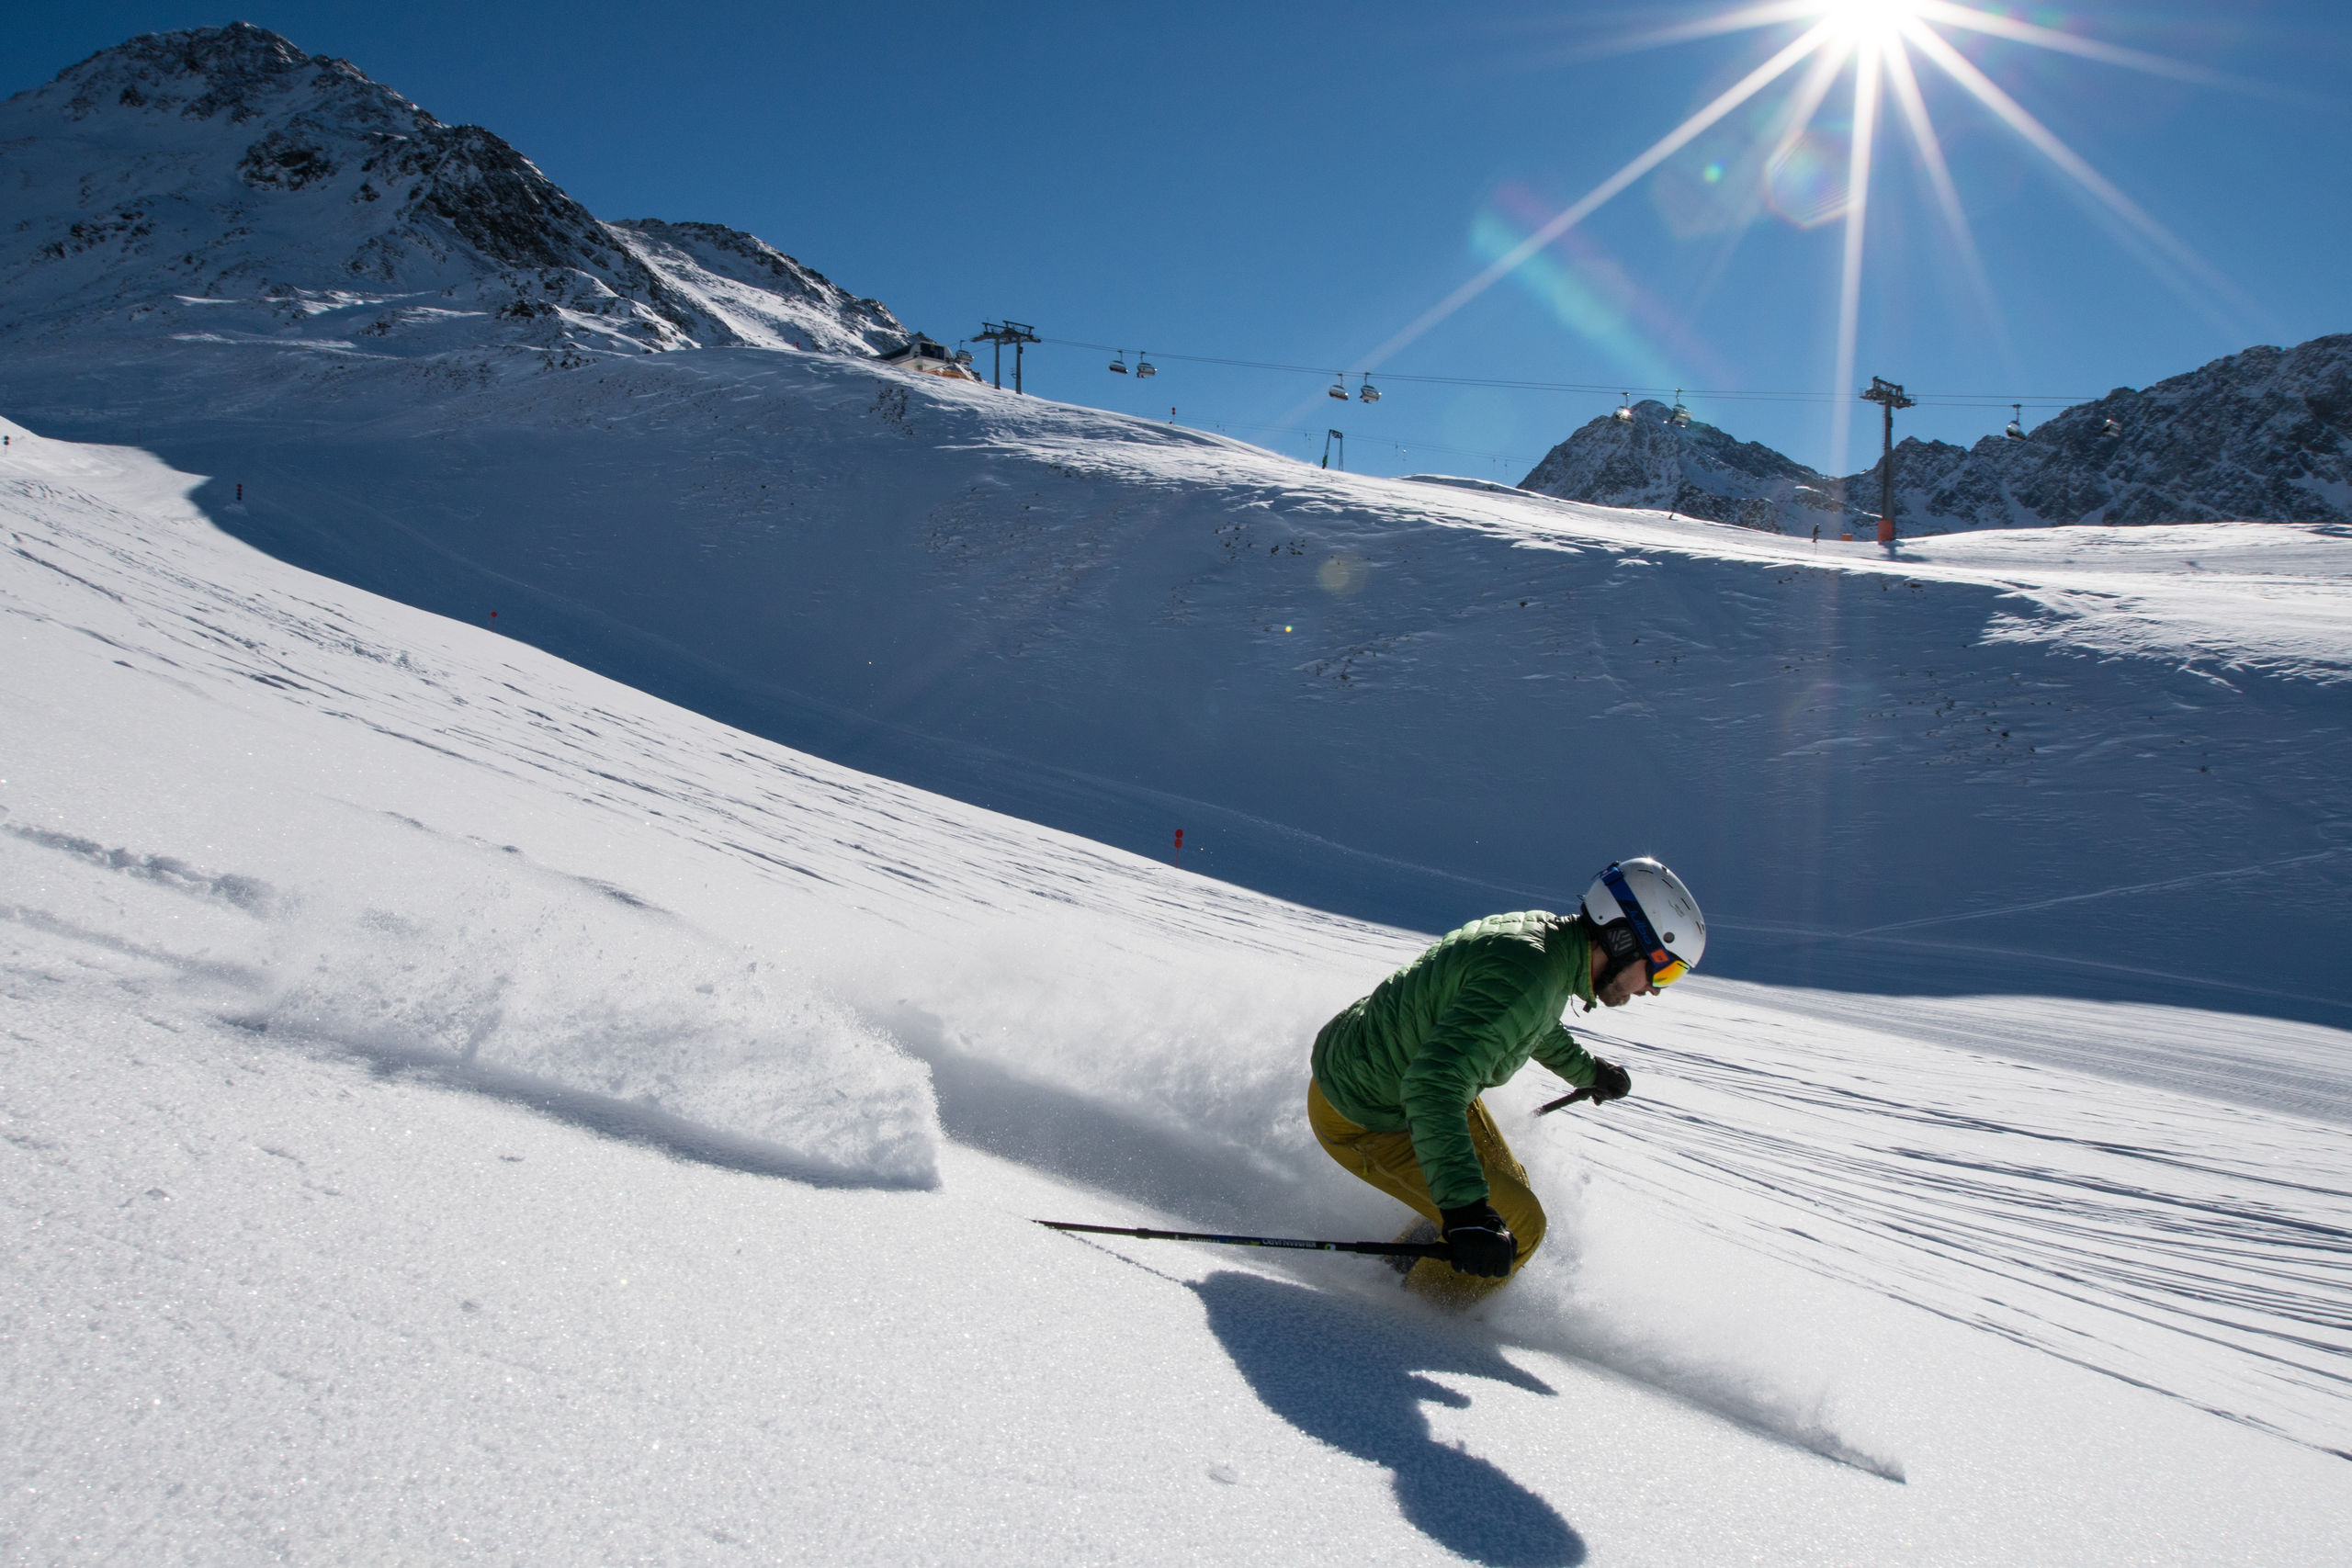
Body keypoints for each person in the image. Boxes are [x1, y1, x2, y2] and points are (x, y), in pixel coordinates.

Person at [1307, 858, 1705, 1301]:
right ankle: (1412, 1320)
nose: (1655, 990)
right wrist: (1463, 1210)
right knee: (1518, 1224)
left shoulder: (1549, 951)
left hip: (1391, 1075)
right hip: (1364, 1113)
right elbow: (1434, 1086)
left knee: (1508, 1193)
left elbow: (1533, 1025)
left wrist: (1588, 1071)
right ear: (1622, 938)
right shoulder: (1531, 976)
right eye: (1663, 970)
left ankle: (1404, 1266)